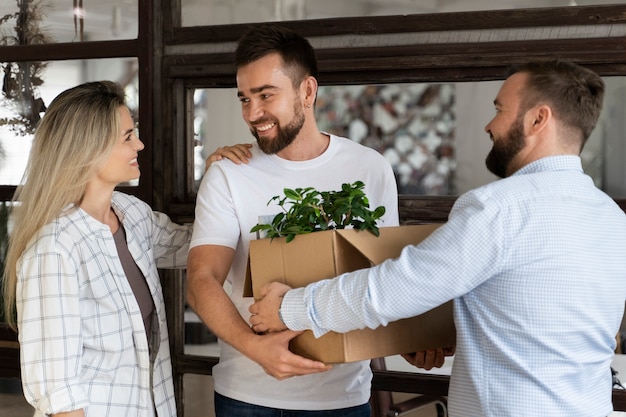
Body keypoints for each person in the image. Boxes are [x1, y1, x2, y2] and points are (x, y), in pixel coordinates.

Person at [249, 60, 626, 417]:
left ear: (538, 118)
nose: (489, 125)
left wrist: (288, 307)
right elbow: (550, 325)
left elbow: (393, 289)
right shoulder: (610, 216)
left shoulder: (498, 208)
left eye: (499, 109)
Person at [186, 24, 399, 417]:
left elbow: (383, 275)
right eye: (244, 99)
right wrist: (256, 349)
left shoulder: (370, 168)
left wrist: (417, 337)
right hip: (248, 398)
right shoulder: (229, 173)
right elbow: (201, 281)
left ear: (307, 91)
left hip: (344, 396)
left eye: (266, 95)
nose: (253, 113)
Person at [2, 81, 193, 417]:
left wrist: (231, 178)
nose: (141, 144)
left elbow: (192, 246)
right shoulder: (55, 249)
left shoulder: (131, 214)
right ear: (89, 148)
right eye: (127, 137)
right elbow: (58, 393)